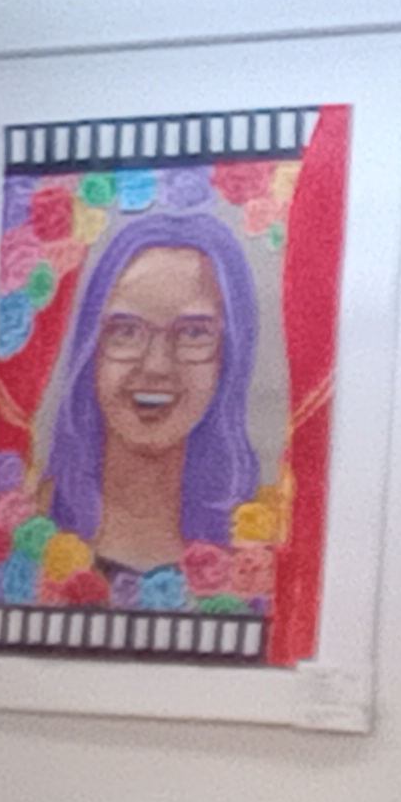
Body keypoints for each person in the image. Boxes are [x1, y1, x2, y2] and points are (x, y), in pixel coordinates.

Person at [39, 209, 264, 574]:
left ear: (230, 356)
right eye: (126, 331)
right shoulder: (30, 529)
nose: (157, 365)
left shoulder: (254, 552)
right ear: (90, 349)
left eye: (193, 333)